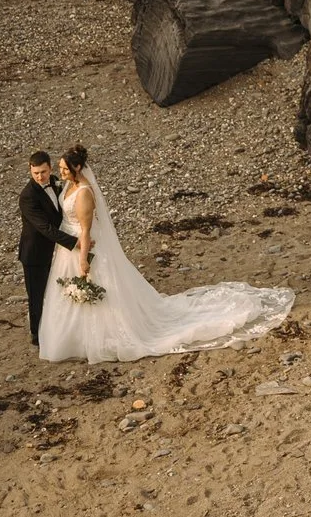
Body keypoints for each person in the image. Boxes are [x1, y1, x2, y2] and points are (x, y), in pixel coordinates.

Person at [37, 144, 294, 364]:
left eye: (64, 168)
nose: (61, 172)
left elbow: (85, 230)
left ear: (78, 168)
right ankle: (77, 337)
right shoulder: (69, 185)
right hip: (66, 247)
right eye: (59, 168)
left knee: (93, 289)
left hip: (82, 247)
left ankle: (96, 339)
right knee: (70, 291)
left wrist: (83, 259)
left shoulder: (83, 194)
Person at [16, 151, 76, 345]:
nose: (40, 177)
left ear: (50, 168)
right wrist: (75, 242)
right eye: (36, 173)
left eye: (43, 172)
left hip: (55, 250)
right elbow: (45, 228)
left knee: (55, 290)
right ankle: (37, 335)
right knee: (36, 294)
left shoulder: (56, 182)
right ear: (30, 171)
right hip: (35, 253)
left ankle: (55, 326)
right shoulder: (27, 196)